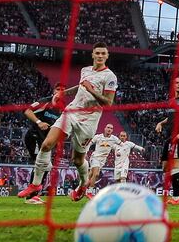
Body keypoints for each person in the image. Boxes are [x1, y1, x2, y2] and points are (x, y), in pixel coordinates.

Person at [20, 43, 118, 202]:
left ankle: (83, 184)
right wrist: (62, 93)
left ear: (107, 56)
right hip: (72, 112)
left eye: (103, 54)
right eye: (97, 53)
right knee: (46, 145)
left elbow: (108, 103)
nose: (100, 56)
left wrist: (92, 90)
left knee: (78, 160)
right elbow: (80, 88)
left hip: (89, 120)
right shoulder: (85, 70)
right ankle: (35, 185)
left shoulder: (109, 76)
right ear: (92, 55)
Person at [18, 83, 66, 205]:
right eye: (58, 89)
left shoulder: (62, 108)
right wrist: (39, 122)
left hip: (46, 141)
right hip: (35, 136)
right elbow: (28, 111)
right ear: (54, 90)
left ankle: (34, 194)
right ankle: (30, 197)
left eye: (63, 90)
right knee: (41, 164)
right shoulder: (45, 101)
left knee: (46, 166)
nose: (60, 91)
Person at [155, 76, 179, 205]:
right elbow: (170, 118)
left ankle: (177, 197)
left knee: (174, 166)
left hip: (178, 136)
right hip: (169, 137)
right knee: (166, 167)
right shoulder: (172, 101)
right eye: (176, 82)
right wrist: (161, 123)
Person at [87, 123, 121, 191]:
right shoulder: (98, 137)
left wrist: (118, 151)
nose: (109, 129)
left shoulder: (114, 138)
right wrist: (86, 151)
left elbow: (121, 145)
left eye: (111, 128)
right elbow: (89, 143)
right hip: (95, 157)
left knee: (91, 174)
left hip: (103, 160)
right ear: (105, 129)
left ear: (112, 130)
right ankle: (89, 191)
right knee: (96, 174)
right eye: (108, 127)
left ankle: (80, 188)